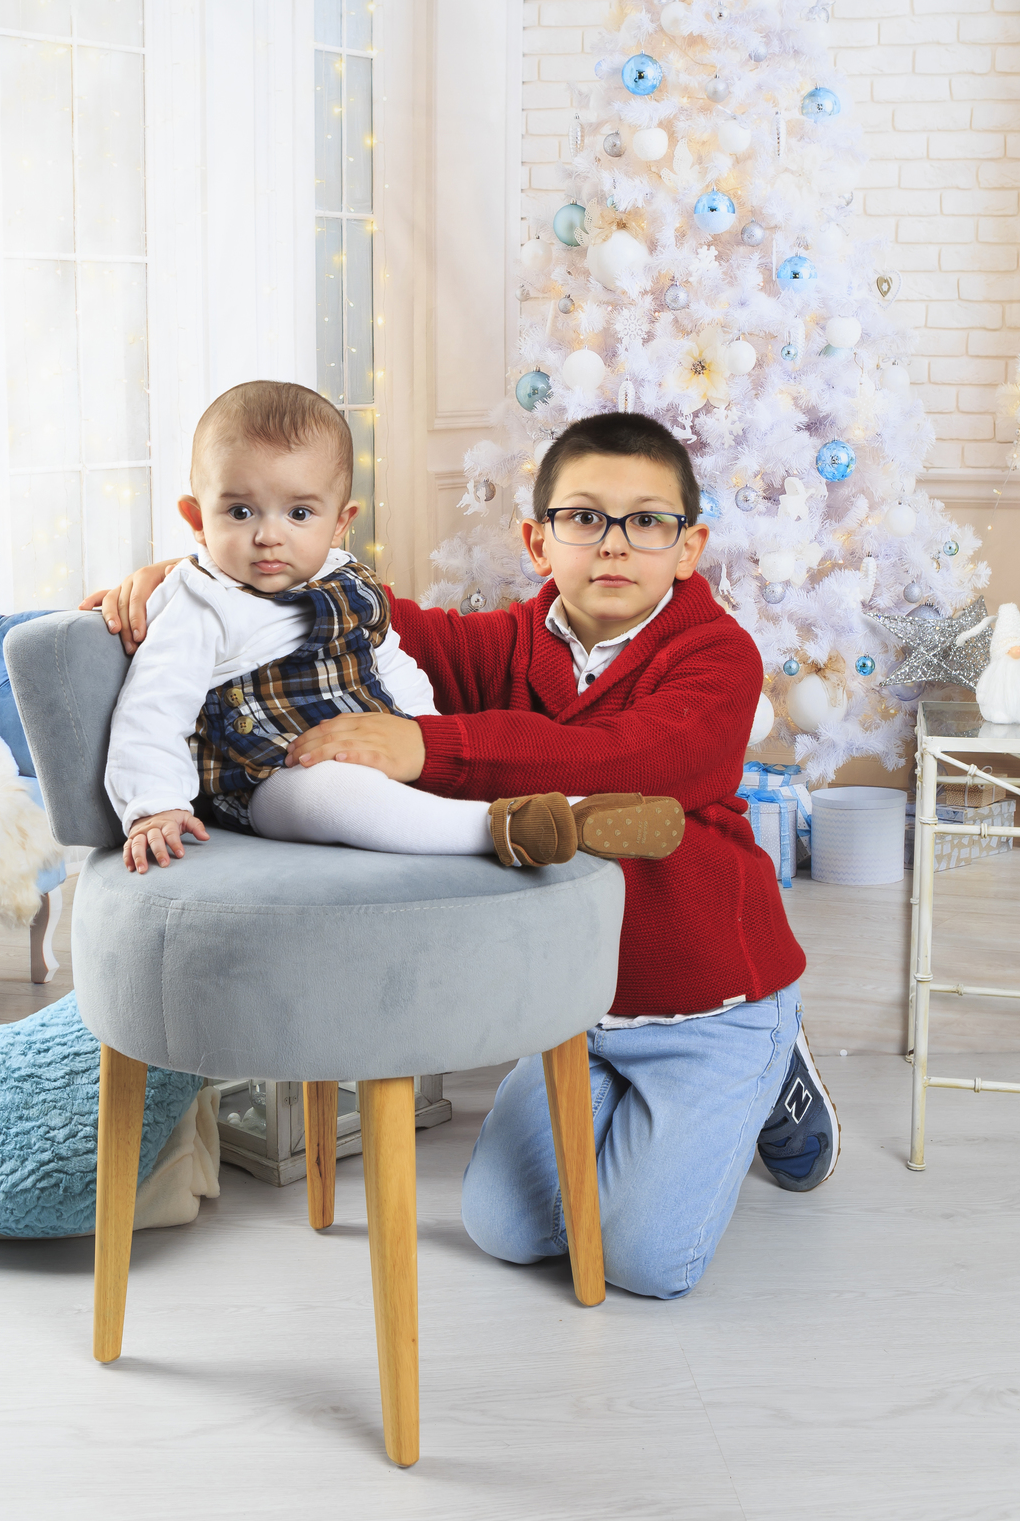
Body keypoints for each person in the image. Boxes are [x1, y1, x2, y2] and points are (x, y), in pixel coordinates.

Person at [85, 402, 839, 1299]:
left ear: (688, 547)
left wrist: (431, 747)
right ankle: (641, 1121)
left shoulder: (718, 655)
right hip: (575, 1008)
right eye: (583, 518)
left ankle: (772, 1069)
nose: (613, 545)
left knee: (644, 1262)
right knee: (506, 1230)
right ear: (537, 541)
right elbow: (360, 616)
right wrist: (205, 579)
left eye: (646, 522)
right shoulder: (508, 645)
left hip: (708, 1004)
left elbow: (634, 759)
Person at [105, 380, 680, 876]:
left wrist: (422, 735)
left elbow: (393, 660)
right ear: (196, 519)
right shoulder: (198, 603)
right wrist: (154, 805)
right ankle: (507, 827)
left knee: (391, 788)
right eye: (239, 513)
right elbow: (152, 709)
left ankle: (547, 816)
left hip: (372, 748)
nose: (268, 536)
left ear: (339, 524)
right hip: (271, 774)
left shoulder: (346, 581)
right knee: (332, 793)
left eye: (299, 514)